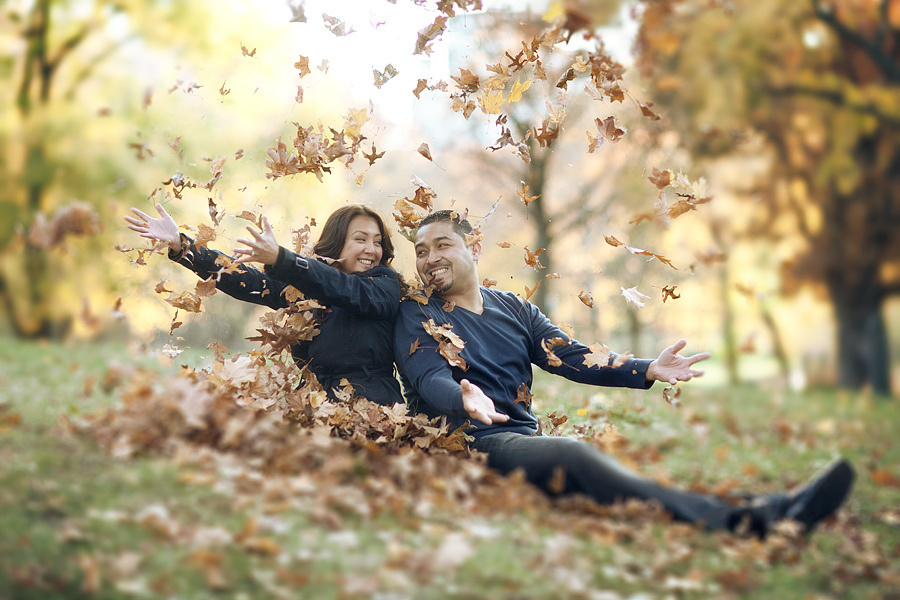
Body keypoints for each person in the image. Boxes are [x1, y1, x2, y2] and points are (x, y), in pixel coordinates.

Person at [393, 210, 855, 537]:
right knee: (576, 458)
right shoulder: (416, 313)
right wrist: (462, 398)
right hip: (464, 445)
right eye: (421, 250)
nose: (430, 257)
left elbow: (572, 357)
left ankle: (770, 507)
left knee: (617, 483)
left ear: (473, 247)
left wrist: (646, 368)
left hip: (519, 441)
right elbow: (428, 377)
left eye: (442, 245)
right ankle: (747, 520)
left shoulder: (512, 307)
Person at [125, 202, 403, 406]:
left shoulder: (383, 285)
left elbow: (346, 290)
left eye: (377, 242)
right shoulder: (307, 290)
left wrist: (283, 259)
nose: (372, 249)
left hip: (374, 411)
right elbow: (250, 282)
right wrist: (183, 246)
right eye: (361, 239)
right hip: (315, 408)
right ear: (336, 244)